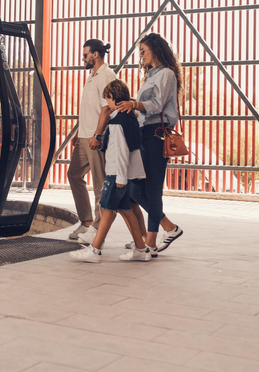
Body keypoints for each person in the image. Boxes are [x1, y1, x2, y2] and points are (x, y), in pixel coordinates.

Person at [69, 80, 151, 263]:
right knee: (125, 209)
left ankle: (95, 250)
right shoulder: (131, 117)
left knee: (106, 209)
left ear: (112, 97)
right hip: (126, 173)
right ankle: (141, 249)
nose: (106, 104)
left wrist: (120, 177)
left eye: (107, 100)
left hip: (116, 173)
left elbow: (120, 151)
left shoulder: (117, 123)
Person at [116, 33, 184, 253]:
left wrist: (134, 104)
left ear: (155, 49)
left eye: (143, 50)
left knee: (153, 190)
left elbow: (155, 105)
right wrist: (133, 111)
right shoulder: (151, 76)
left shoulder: (166, 74)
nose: (141, 55)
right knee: (135, 191)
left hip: (157, 134)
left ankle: (151, 242)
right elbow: (146, 108)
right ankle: (169, 227)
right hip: (145, 133)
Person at [67, 39, 117, 240]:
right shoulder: (92, 76)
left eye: (85, 54)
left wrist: (97, 135)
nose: (83, 58)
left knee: (99, 184)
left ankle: (97, 231)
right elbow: (89, 108)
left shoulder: (107, 75)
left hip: (96, 137)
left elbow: (107, 108)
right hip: (84, 136)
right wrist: (78, 131)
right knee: (73, 175)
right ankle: (86, 222)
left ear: (95, 55)